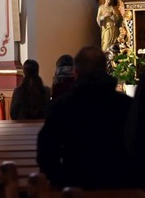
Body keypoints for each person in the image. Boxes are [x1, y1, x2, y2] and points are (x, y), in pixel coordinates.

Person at [37, 46, 137, 189]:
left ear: (76, 73)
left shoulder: (63, 106)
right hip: (122, 188)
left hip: (74, 187)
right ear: (105, 70)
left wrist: (60, 182)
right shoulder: (127, 105)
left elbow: (46, 152)